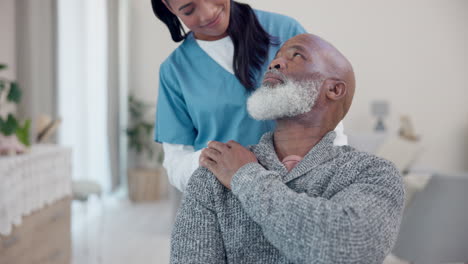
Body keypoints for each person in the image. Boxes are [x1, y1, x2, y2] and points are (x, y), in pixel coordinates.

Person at [170, 34, 405, 263]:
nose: (275, 63)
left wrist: (245, 177)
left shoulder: (375, 173)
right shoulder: (214, 174)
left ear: (334, 90)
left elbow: (348, 248)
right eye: (277, 57)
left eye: (297, 56)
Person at [151, 0, 348, 192]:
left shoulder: (285, 31)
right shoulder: (175, 71)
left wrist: (331, 176)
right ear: (168, 6)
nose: (207, 13)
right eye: (189, 10)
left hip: (301, 189)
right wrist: (216, 161)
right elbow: (177, 161)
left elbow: (326, 110)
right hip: (226, 199)